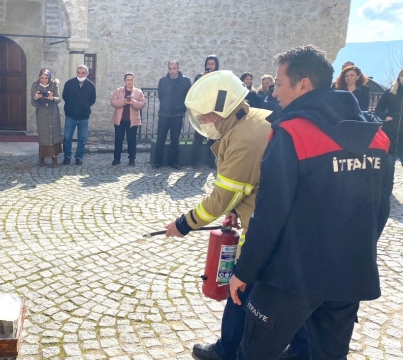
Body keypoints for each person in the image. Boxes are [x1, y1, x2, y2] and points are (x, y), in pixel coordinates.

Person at [230, 45, 391, 360]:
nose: (274, 91)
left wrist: (244, 270)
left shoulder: (291, 133)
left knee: (255, 353)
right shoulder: (378, 138)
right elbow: (379, 210)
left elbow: (269, 214)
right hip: (349, 274)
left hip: (289, 276)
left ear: (303, 85)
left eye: (279, 83)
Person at [162, 70, 309, 360]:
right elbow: (246, 187)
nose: (203, 122)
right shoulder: (254, 117)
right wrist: (234, 211)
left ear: (222, 109)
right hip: (289, 228)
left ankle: (228, 350)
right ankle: (303, 351)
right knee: (294, 297)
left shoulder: (244, 140)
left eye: (205, 116)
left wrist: (183, 223)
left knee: (240, 288)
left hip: (267, 232)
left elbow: (220, 199)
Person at [153, 61, 192, 168]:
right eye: (170, 68)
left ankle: (174, 162)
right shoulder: (163, 81)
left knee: (175, 139)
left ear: (178, 68)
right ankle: (157, 162)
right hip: (164, 114)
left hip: (177, 115)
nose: (172, 71)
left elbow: (187, 96)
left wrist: (181, 108)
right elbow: (161, 96)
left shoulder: (185, 81)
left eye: (174, 68)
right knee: (160, 138)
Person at [62, 64, 96, 165]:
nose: (80, 75)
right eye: (78, 73)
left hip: (84, 116)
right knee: (67, 138)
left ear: (87, 73)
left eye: (83, 73)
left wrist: (84, 106)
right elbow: (65, 97)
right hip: (70, 115)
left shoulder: (91, 85)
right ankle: (67, 156)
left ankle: (79, 157)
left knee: (82, 139)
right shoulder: (69, 83)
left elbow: (92, 100)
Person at [110, 72, 146, 166]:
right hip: (119, 120)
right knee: (118, 140)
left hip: (132, 121)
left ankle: (132, 160)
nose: (129, 82)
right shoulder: (119, 91)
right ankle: (116, 159)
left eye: (131, 79)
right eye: (128, 80)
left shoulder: (138, 92)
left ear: (134, 80)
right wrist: (123, 101)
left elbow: (142, 104)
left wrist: (133, 102)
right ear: (125, 81)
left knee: (132, 141)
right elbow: (113, 102)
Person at [375, 68, 403, 180]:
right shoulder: (390, 92)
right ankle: (386, 194)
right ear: (399, 77)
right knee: (389, 168)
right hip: (390, 134)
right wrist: (385, 117)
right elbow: (378, 110)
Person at [31, 68, 62, 168]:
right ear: (39, 78)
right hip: (42, 114)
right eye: (42, 78)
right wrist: (36, 98)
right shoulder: (35, 86)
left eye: (46, 78)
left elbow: (58, 99)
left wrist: (52, 98)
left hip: (53, 114)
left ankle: (54, 159)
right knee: (44, 136)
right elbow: (33, 103)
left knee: (53, 135)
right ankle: (41, 158)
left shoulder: (54, 85)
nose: (44, 80)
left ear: (49, 78)